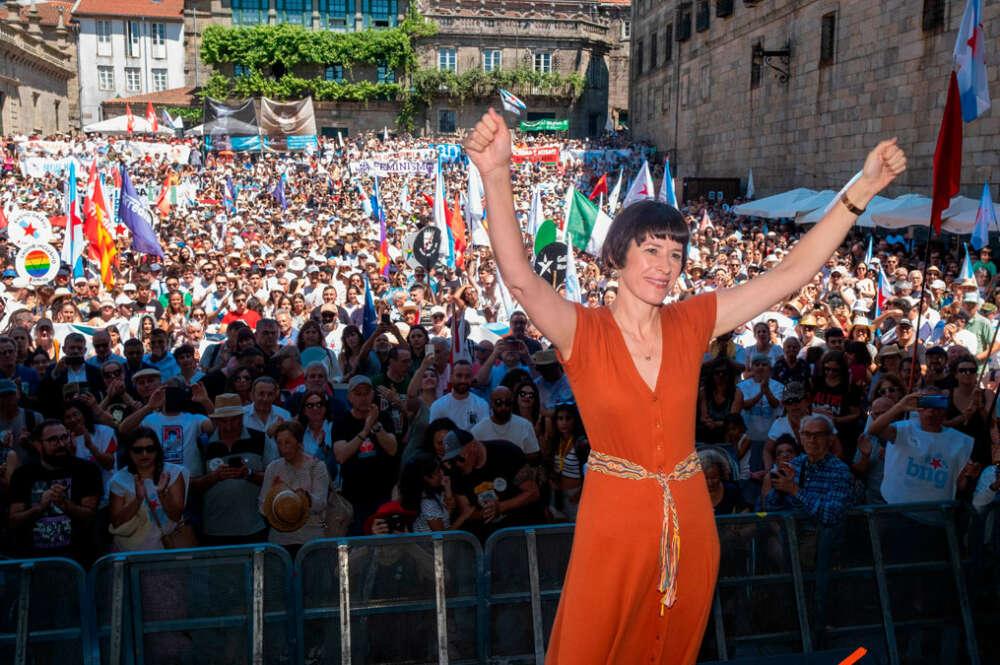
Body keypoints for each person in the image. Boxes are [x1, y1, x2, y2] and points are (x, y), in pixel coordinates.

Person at [464, 107, 905, 662]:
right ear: (617, 256)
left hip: (689, 518)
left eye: (675, 254)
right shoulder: (583, 331)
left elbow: (788, 275)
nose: (665, 264)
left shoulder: (691, 320)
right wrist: (496, 173)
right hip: (614, 523)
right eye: (651, 250)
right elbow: (522, 279)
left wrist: (859, 190)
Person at [8, 419, 102, 563]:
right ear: (38, 445)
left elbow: (90, 517)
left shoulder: (87, 471)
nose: (61, 444)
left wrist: (65, 504)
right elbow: (14, 521)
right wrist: (40, 506)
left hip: (78, 559)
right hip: (34, 561)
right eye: (53, 440)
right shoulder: (23, 475)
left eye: (64, 437)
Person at [441, 428, 542, 539]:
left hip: (520, 527)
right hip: (487, 534)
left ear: (473, 446)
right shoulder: (457, 472)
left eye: (460, 458)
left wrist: (500, 507)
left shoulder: (506, 452)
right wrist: (488, 511)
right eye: (452, 460)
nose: (457, 464)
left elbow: (533, 493)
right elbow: (466, 511)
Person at [332, 375, 399, 535]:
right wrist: (364, 431)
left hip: (383, 495)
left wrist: (375, 425)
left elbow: (393, 449)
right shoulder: (342, 421)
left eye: (366, 393)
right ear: (349, 397)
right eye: (358, 394)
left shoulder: (384, 417)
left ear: (372, 395)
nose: (363, 398)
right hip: (354, 498)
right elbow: (341, 456)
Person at [108, 428, 190, 552]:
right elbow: (117, 523)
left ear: (157, 450)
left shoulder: (173, 473)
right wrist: (138, 499)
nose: (144, 454)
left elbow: (176, 516)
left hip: (166, 549)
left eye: (150, 449)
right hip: (132, 552)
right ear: (129, 452)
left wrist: (162, 494)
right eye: (138, 450)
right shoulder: (119, 480)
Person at [763, 414, 854, 527]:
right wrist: (780, 489)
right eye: (807, 434)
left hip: (826, 542)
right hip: (793, 538)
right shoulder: (795, 464)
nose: (812, 440)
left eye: (818, 435)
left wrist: (794, 490)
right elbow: (770, 506)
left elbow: (832, 516)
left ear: (830, 440)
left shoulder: (840, 471)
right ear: (801, 439)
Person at [258, 421, 328, 557]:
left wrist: (306, 498)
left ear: (299, 442)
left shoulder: (317, 467)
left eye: (288, 442)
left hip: (310, 540)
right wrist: (276, 501)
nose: (283, 448)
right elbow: (262, 505)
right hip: (280, 541)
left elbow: (321, 503)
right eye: (279, 443)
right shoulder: (273, 468)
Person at [472, 386, 541, 462]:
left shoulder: (525, 426)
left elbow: (534, 455)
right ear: (491, 404)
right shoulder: (478, 430)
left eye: (507, 403)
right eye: (498, 403)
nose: (503, 407)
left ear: (512, 404)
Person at [428, 360, 489, 431]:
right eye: (459, 376)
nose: (463, 380)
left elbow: (484, 434)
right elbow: (434, 435)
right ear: (451, 378)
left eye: (467, 376)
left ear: (471, 379)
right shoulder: (438, 406)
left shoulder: (482, 405)